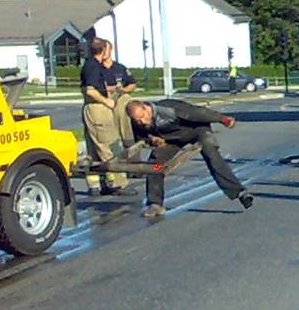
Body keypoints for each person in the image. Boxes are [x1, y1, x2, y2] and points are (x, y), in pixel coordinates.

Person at [126, 99, 254, 218]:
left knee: (212, 156)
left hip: (197, 131)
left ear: (147, 108)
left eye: (142, 117)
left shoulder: (169, 110)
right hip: (171, 140)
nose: (141, 122)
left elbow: (199, 113)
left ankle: (239, 192)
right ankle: (155, 204)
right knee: (154, 164)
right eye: (137, 120)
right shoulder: (136, 121)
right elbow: (142, 137)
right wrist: (152, 139)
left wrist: (222, 119)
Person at [80, 38, 130, 195]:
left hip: (90, 109)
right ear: (103, 51)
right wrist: (107, 101)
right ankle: (117, 182)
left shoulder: (88, 65)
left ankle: (94, 184)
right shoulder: (94, 67)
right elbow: (90, 90)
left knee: (93, 148)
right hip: (98, 109)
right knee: (110, 145)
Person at [101, 41, 137, 147]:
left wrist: (122, 90)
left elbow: (132, 84)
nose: (103, 52)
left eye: (105, 49)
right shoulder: (96, 68)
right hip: (103, 98)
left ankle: (129, 141)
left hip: (119, 95)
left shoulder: (119, 68)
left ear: (111, 50)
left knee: (125, 101)